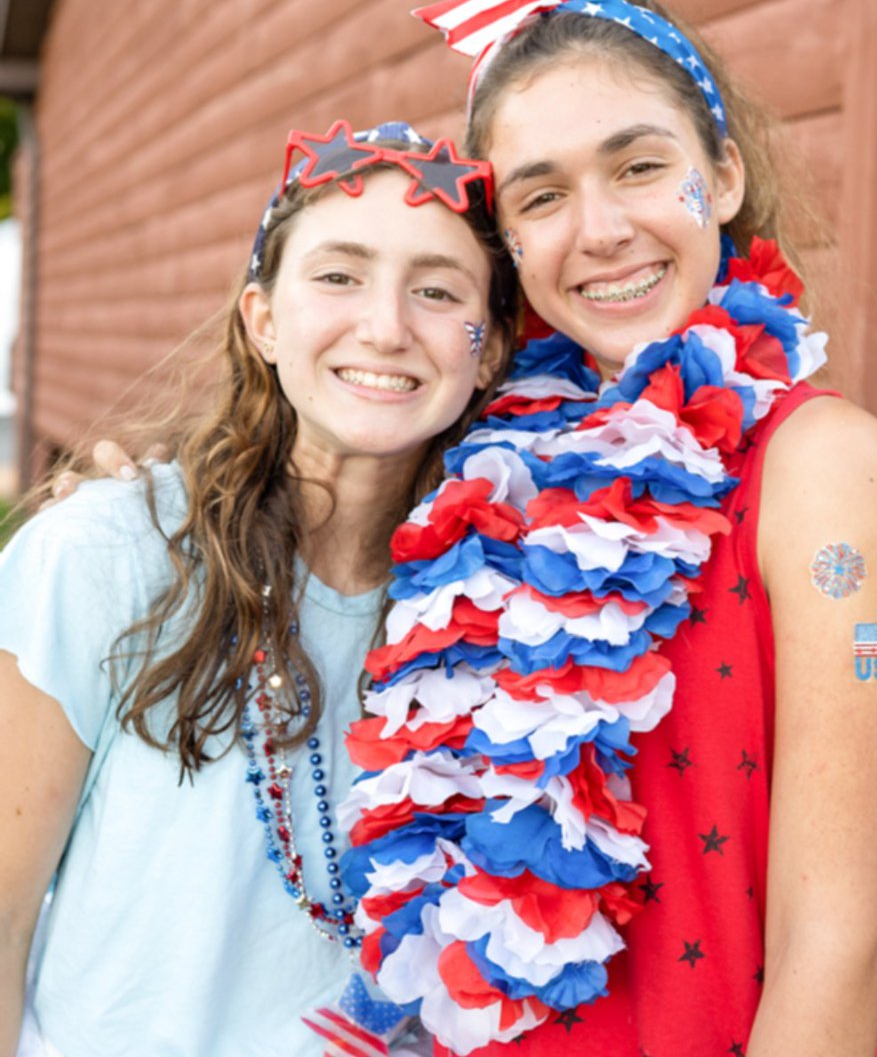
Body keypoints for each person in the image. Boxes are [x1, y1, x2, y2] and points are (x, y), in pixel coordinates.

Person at [337, 0, 877, 1057]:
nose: (600, 230)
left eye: (641, 167)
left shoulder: (822, 467)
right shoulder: (486, 477)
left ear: (725, 176)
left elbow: (832, 953)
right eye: (542, 196)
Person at [0, 120, 517, 1057]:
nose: (386, 326)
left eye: (438, 291)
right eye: (339, 276)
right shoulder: (108, 556)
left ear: (487, 351)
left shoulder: (509, 617)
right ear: (264, 320)